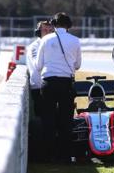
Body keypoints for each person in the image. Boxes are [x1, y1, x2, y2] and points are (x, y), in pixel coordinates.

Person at [36, 12, 82, 163]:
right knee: (66, 120)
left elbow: (38, 65)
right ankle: (64, 155)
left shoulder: (45, 40)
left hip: (48, 82)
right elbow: (78, 65)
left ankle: (47, 154)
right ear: (68, 25)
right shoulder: (75, 41)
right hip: (66, 83)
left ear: (53, 24)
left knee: (48, 119)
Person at [26, 21, 54, 117]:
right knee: (41, 118)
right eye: (45, 30)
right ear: (38, 32)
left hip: (50, 86)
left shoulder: (52, 45)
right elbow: (37, 66)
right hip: (38, 87)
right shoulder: (34, 47)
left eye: (51, 30)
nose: (48, 32)